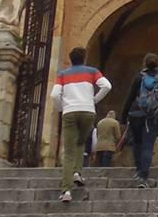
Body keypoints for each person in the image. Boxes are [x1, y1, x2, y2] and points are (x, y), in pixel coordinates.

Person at [48, 46, 111, 203]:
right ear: (84, 58)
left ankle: (66, 190)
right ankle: (77, 172)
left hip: (70, 112)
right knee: (81, 142)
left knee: (69, 151)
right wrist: (94, 100)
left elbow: (55, 95)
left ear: (71, 60)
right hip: (88, 111)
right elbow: (107, 86)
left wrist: (61, 108)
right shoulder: (91, 71)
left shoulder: (63, 74)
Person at [119, 52, 158, 188]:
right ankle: (144, 175)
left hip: (136, 115)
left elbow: (130, 97)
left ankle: (138, 171)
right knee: (148, 145)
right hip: (153, 117)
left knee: (137, 144)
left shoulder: (138, 78)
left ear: (144, 64)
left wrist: (123, 117)